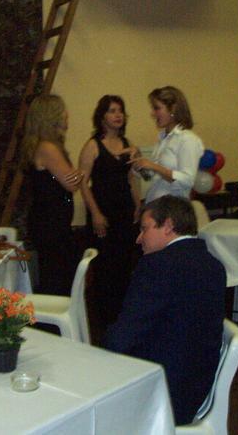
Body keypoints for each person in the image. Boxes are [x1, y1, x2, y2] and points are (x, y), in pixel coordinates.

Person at [104, 195, 225, 425]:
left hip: (164, 393)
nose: (139, 238)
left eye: (144, 229)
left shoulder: (157, 266)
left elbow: (122, 338)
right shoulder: (214, 265)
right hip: (198, 385)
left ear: (168, 226)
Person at [78, 95, 141, 331]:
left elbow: (131, 178)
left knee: (124, 265)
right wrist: (95, 213)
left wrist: (138, 205)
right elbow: (83, 183)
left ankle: (121, 318)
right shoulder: (93, 145)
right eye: (112, 111)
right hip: (102, 212)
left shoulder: (127, 143)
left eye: (120, 111)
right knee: (104, 267)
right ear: (102, 116)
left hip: (125, 211)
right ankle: (103, 321)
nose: (118, 115)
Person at [22, 94, 83, 295]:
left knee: (56, 273)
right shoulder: (48, 147)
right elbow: (71, 183)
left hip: (50, 222)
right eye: (62, 110)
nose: (67, 115)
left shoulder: (43, 145)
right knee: (57, 277)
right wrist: (82, 172)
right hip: (50, 224)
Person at [130, 86, 204, 202]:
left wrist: (154, 166)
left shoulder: (187, 139)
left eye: (157, 108)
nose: (153, 114)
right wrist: (138, 161)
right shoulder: (163, 139)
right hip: (156, 204)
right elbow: (150, 177)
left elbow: (187, 181)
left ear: (173, 109)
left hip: (174, 207)